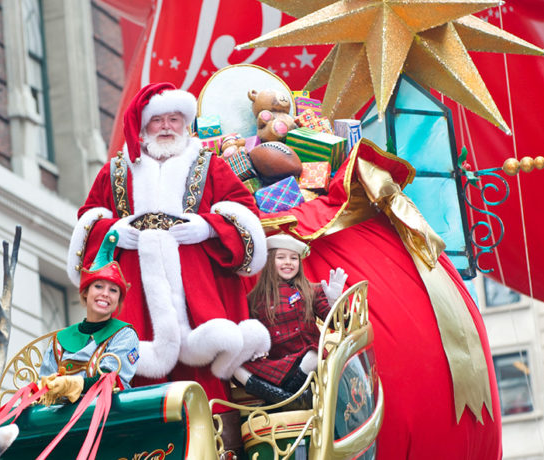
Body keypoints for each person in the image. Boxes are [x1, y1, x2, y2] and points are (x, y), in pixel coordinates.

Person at [67, 82, 270, 409]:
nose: (166, 127)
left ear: (185, 124)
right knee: (135, 371)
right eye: (158, 120)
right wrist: (115, 230)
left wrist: (207, 227)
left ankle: (216, 442)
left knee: (202, 373)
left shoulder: (210, 165)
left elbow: (246, 212)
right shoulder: (117, 171)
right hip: (135, 290)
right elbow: (88, 221)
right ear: (143, 125)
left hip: (196, 289)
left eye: (174, 119)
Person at [234, 234, 347, 406]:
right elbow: (250, 331)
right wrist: (253, 347)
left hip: (304, 360)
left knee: (313, 355)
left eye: (293, 258)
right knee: (234, 366)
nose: (288, 262)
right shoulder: (253, 299)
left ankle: (282, 400)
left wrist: (335, 303)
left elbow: (338, 323)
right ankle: (291, 400)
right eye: (281, 257)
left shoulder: (312, 291)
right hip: (277, 363)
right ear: (270, 262)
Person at [39, 233, 139, 404]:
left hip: (106, 418)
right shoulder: (60, 340)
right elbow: (44, 388)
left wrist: (72, 384)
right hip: (61, 422)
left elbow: (111, 380)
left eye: (113, 290)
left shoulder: (124, 334)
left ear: (118, 300)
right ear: (86, 292)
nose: (105, 294)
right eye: (98, 286)